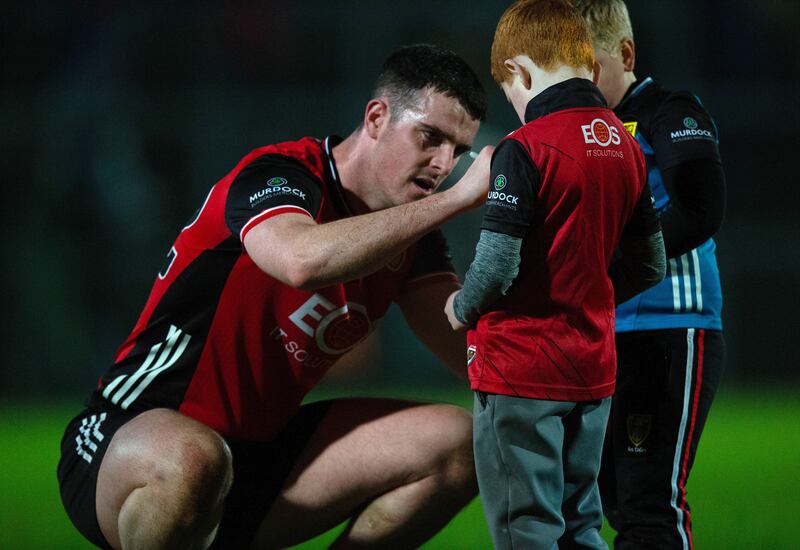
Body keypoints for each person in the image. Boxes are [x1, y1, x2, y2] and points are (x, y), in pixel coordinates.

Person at [57, 44, 494, 550]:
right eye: (431, 137)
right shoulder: (281, 175)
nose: (444, 163)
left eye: (458, 151)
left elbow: (472, 352)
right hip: (128, 440)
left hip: (251, 461)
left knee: (456, 442)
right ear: (377, 117)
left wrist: (588, 388)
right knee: (195, 458)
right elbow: (301, 261)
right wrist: (458, 199)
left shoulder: (410, 241)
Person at [443, 1, 665, 548]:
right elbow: (650, 264)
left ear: (520, 70)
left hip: (521, 371)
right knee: (582, 523)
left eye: (508, 90)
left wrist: (461, 307)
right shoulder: (625, 144)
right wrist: (589, 298)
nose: (514, 106)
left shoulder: (524, 149)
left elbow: (496, 266)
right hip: (593, 370)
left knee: (529, 529)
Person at [573, 1, 728, 548]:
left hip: (669, 326)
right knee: (607, 499)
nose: (580, 84)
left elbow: (699, 207)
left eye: (589, 67)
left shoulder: (669, 110)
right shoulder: (577, 128)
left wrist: (605, 264)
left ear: (626, 54)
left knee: (647, 506)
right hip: (599, 334)